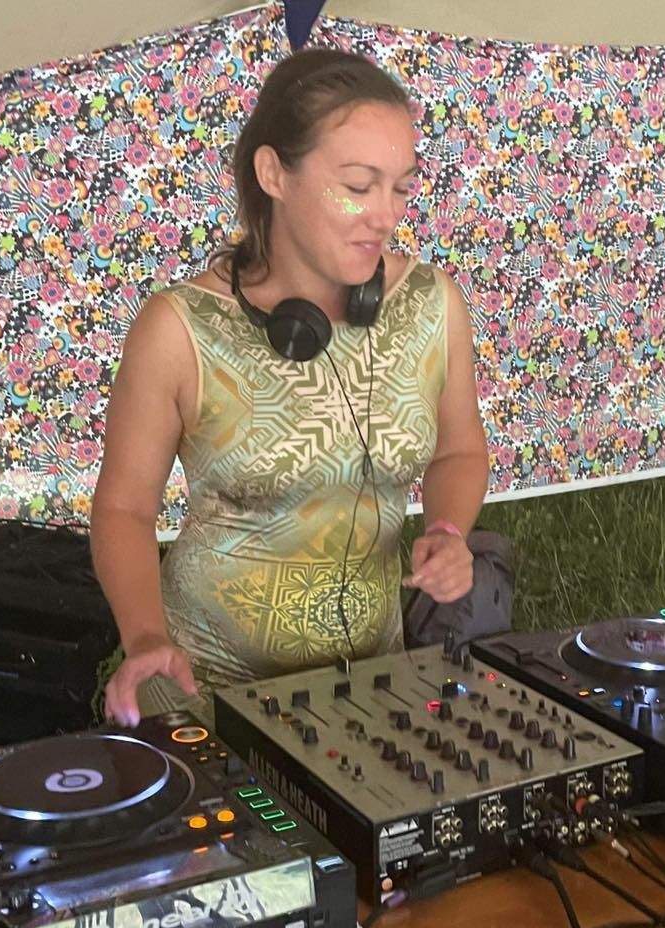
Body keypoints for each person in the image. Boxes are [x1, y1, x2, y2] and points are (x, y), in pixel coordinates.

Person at [91, 47, 489, 728]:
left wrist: (450, 530)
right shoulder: (178, 329)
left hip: (373, 692)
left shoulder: (431, 304)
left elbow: (458, 451)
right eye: (359, 186)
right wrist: (146, 639)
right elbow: (125, 508)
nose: (386, 215)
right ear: (273, 172)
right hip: (208, 691)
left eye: (401, 187)